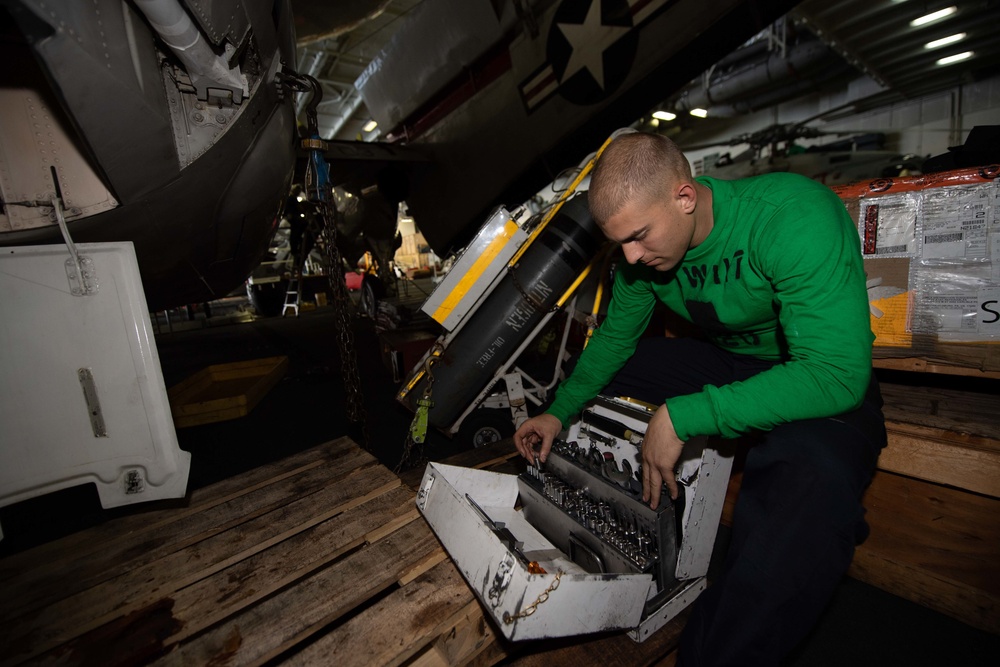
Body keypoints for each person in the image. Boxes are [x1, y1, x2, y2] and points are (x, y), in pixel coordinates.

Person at [513, 132, 886, 665]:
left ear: (684, 197)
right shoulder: (641, 256)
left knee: (810, 481)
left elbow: (837, 373)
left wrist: (689, 414)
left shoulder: (791, 215)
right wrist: (557, 409)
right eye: (620, 242)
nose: (631, 256)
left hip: (813, 368)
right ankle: (615, 517)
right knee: (623, 369)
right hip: (731, 361)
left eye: (639, 235)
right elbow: (615, 341)